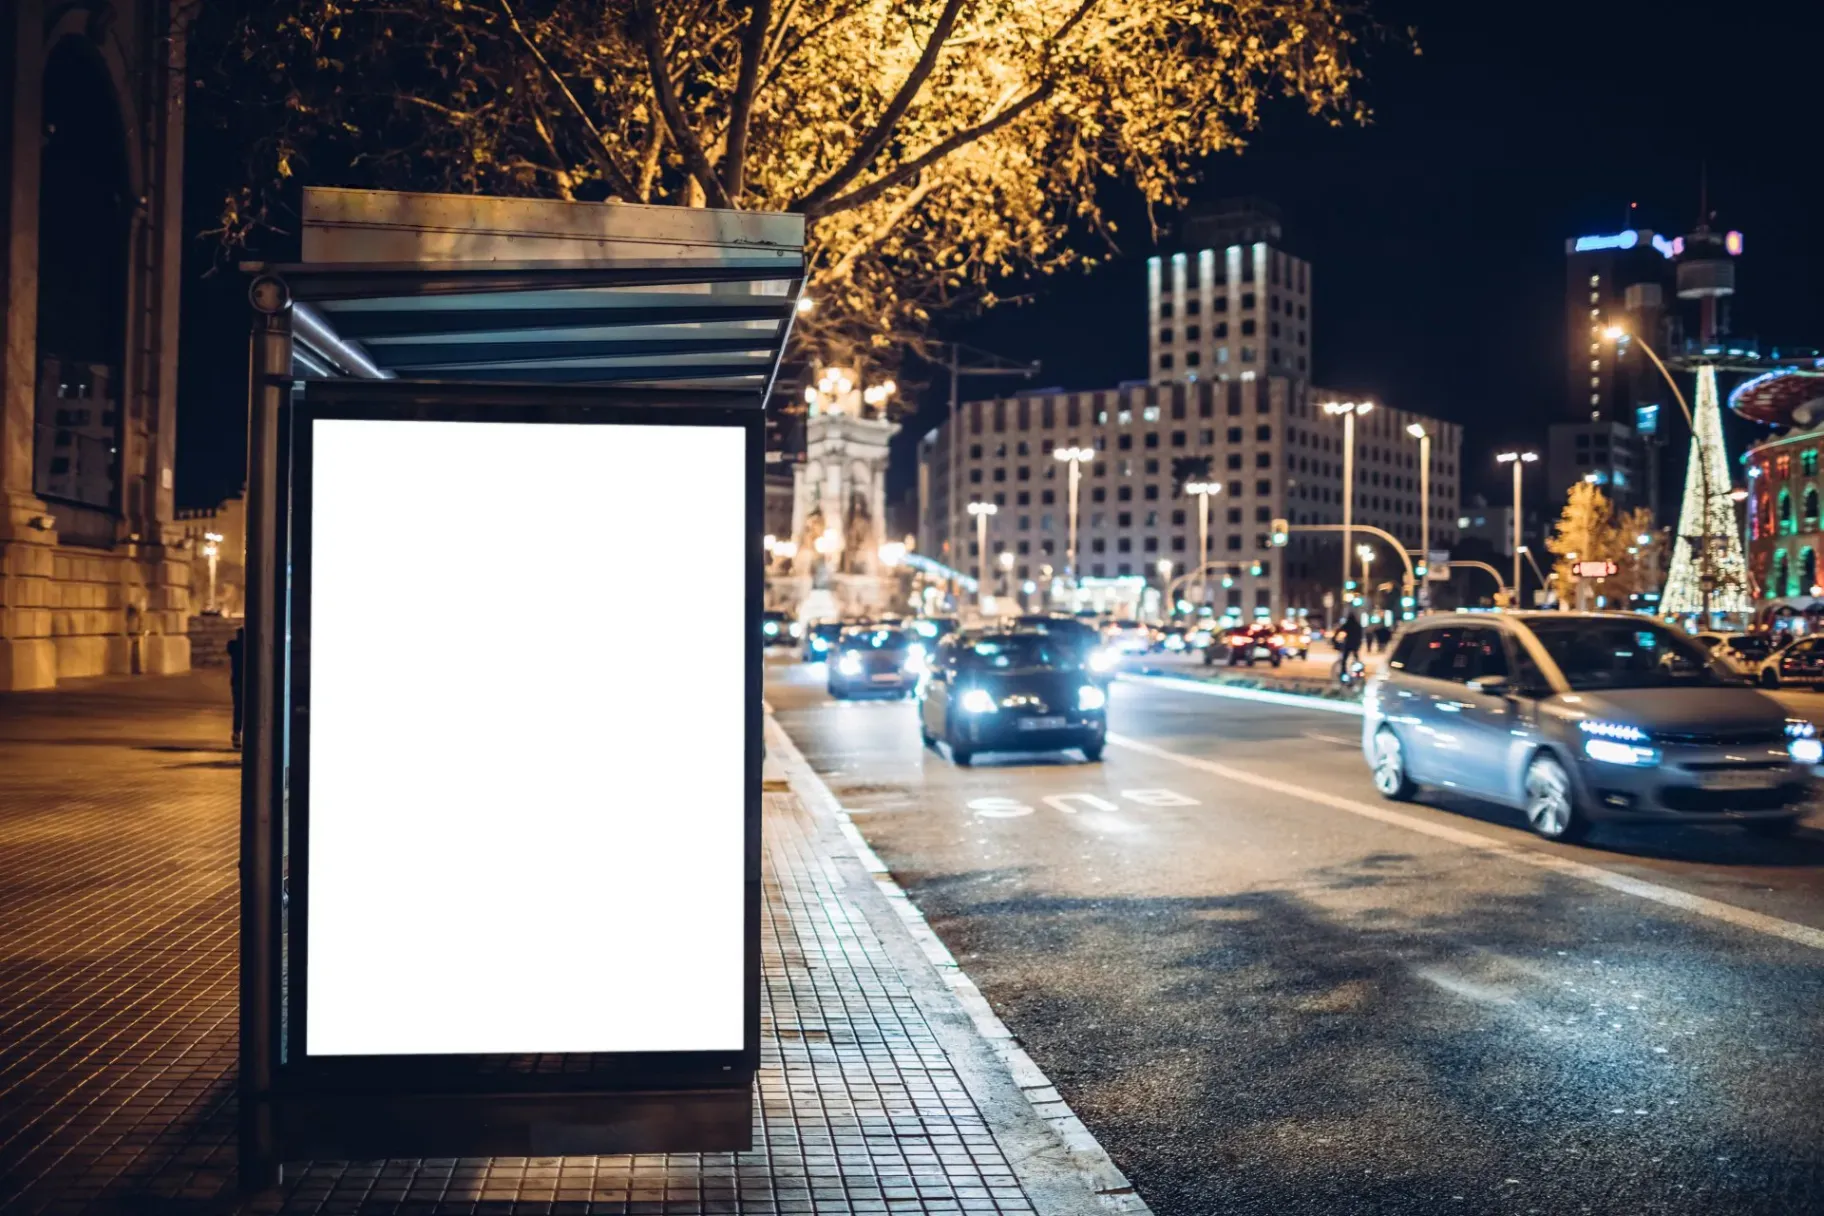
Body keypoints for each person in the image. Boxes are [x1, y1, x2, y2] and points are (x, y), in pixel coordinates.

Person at [227, 626, 245, 751]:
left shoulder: (233, 646)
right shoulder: (241, 648)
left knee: (238, 709)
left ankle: (237, 734)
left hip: (237, 681)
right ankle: (237, 734)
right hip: (243, 681)